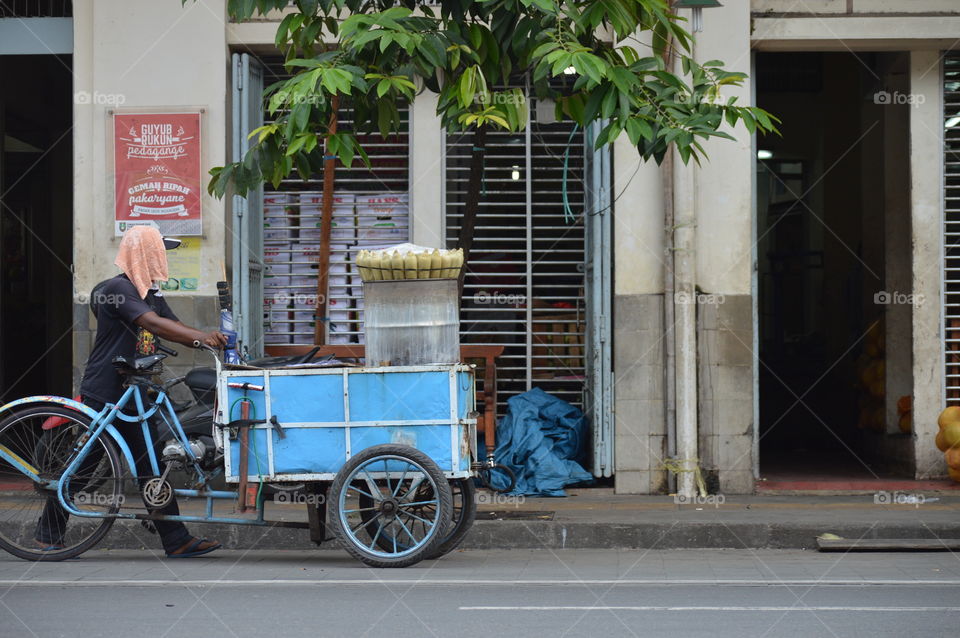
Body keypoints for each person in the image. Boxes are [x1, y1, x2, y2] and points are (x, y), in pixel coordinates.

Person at [35, 225, 228, 557]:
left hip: (136, 392)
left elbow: (172, 325)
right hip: (107, 390)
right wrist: (201, 337)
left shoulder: (150, 293)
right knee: (84, 465)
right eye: (159, 252)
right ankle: (47, 533)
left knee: (150, 465)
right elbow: (152, 323)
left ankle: (176, 539)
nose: (163, 258)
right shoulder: (119, 289)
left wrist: (206, 338)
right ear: (143, 254)